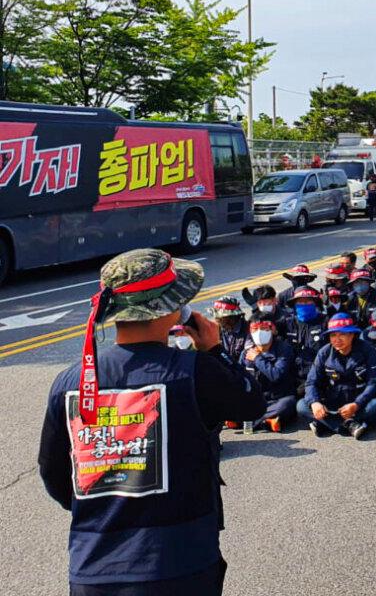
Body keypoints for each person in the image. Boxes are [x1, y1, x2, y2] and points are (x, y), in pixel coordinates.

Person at [38, 248, 264, 596]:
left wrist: (106, 506)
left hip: (93, 567)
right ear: (173, 310)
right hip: (180, 564)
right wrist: (215, 350)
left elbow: (53, 473)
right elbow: (251, 403)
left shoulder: (70, 382)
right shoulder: (197, 373)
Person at [298, 314, 376, 439]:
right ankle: (350, 425)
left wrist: (356, 404)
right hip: (331, 404)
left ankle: (326, 424)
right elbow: (311, 382)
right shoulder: (324, 352)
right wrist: (315, 403)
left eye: (342, 334)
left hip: (358, 403)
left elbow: (373, 383)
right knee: (301, 405)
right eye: (333, 335)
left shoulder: (368, 350)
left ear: (352, 335)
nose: (337, 339)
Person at [240, 319, 298, 432]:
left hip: (278, 398)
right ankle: (266, 422)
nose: (259, 333)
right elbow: (239, 378)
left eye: (263, 329)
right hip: (256, 400)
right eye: (255, 329)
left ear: (272, 330)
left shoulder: (284, 348)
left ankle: (249, 421)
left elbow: (276, 375)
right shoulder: (246, 352)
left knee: (289, 404)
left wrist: (257, 358)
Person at [211, 297, 248, 364]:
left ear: (231, 317)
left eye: (220, 317)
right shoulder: (218, 329)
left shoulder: (248, 332)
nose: (216, 319)